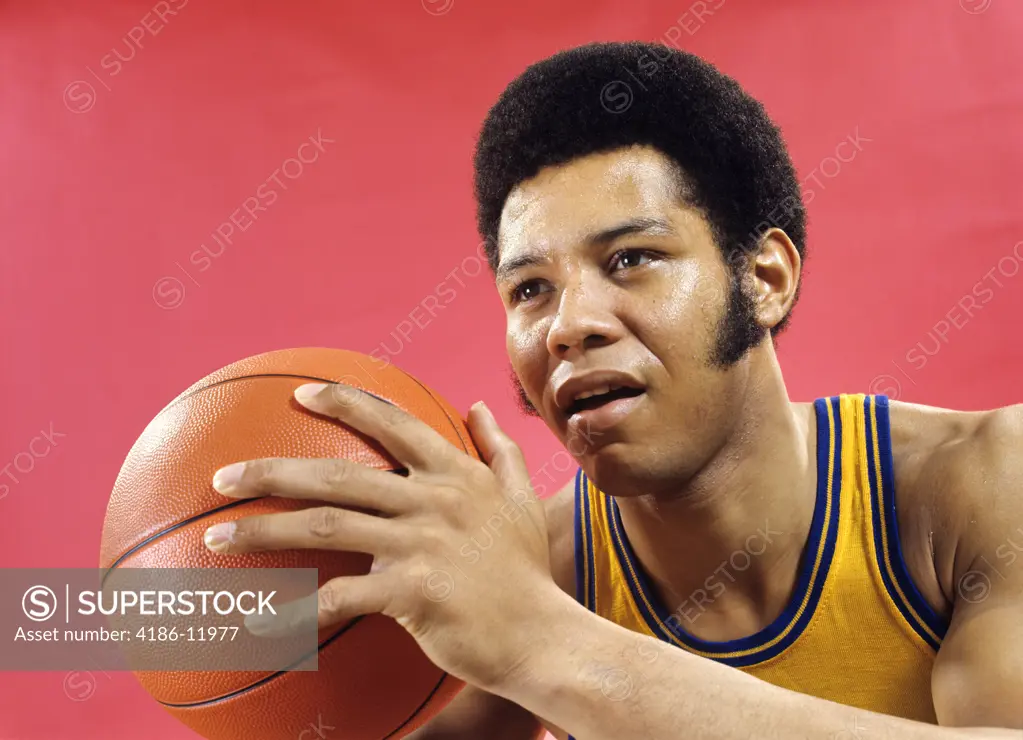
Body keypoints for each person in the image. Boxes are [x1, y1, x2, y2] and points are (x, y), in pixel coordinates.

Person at [201, 42, 1023, 738]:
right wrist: (169, 590)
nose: (568, 324)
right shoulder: (523, 568)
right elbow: (157, 629)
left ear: (764, 278)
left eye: (630, 258)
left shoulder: (982, 482)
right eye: (528, 289)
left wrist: (545, 647)